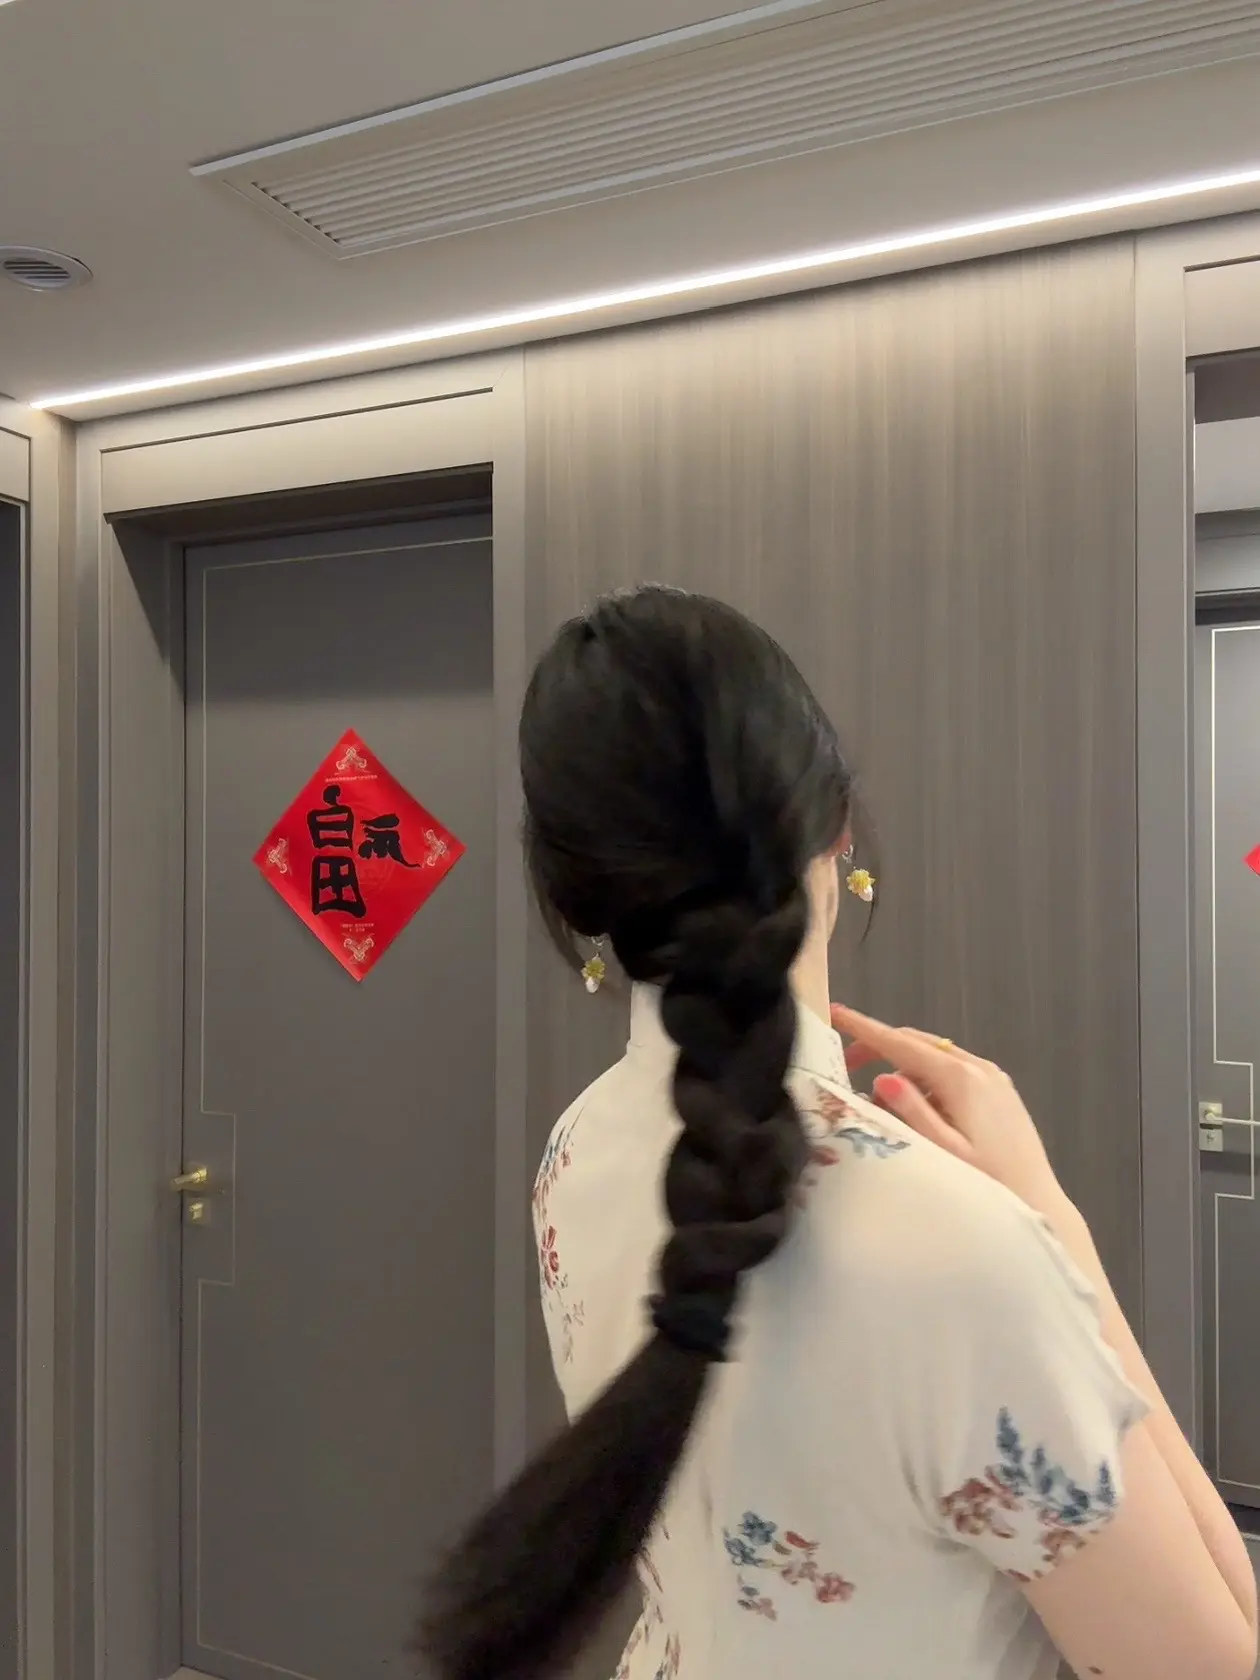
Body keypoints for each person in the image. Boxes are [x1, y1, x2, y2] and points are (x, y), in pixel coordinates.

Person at [417, 584, 1258, 1680]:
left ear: (579, 896)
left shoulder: (571, 1157)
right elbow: (1216, 1661)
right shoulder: (965, 1248)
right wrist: (1056, 1231)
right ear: (836, 832)